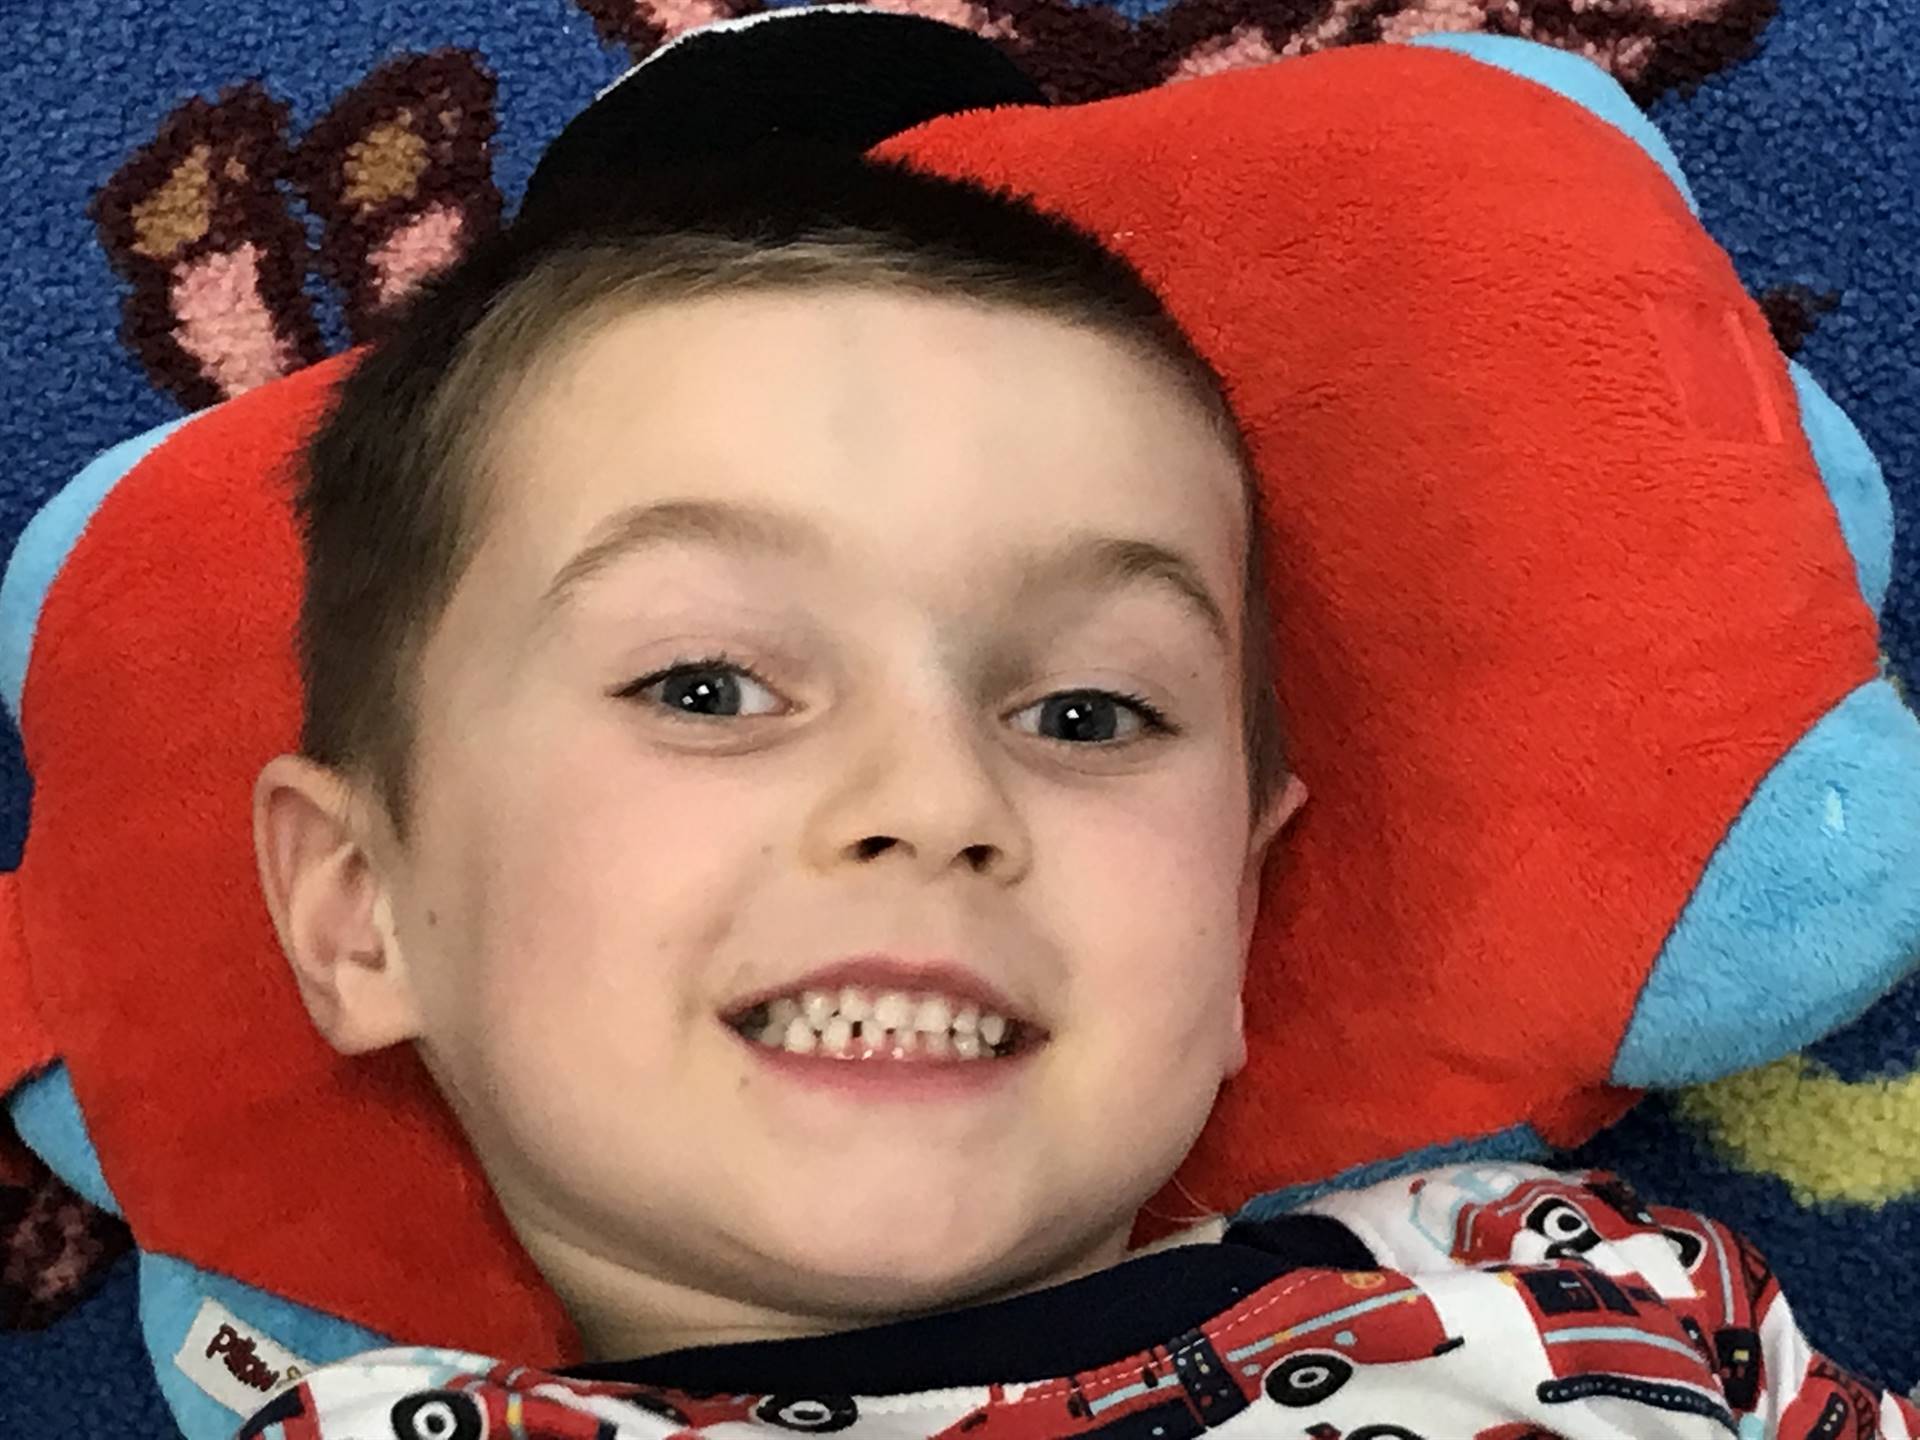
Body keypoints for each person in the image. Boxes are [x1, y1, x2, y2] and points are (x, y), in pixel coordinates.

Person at [243, 140, 1917, 1439]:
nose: (934, 794)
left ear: (1240, 899)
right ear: (359, 909)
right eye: (708, 687)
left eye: (1090, 712)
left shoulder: (1574, 1291)